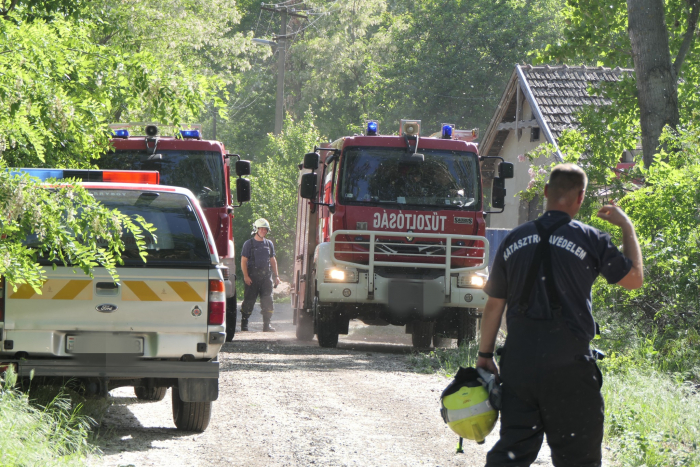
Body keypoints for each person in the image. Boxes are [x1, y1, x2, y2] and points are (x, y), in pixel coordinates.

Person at [477, 163, 644, 466]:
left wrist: (484, 355)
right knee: (578, 458)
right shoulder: (592, 239)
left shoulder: (514, 240)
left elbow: (493, 306)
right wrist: (627, 226)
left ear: (545, 193)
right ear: (580, 197)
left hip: (520, 364)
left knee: (512, 451)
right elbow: (634, 279)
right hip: (570, 367)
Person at [240, 218, 281, 332]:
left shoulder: (269, 244)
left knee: (268, 300)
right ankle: (244, 323)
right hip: (252, 276)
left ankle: (267, 325)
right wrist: (246, 276)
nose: (263, 231)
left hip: (266, 277)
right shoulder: (248, 244)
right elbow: (243, 261)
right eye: (261, 228)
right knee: (249, 300)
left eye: (265, 229)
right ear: (256, 229)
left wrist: (276, 276)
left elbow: (273, 260)